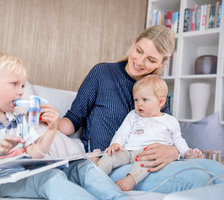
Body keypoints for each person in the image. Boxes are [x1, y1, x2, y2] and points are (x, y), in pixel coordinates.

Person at [58, 25, 224, 193]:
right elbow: (73, 120)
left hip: (146, 166)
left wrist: (174, 152)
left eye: (151, 60)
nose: (139, 62)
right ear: (134, 43)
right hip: (111, 163)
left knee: (215, 169)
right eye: (139, 51)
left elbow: (169, 133)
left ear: (163, 62)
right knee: (199, 177)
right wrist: (47, 123)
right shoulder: (102, 73)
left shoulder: (158, 91)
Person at [0, 53, 128, 200]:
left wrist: (51, 130)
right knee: (50, 177)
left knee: (82, 167)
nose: (20, 92)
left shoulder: (18, 116)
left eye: (23, 86)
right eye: (14, 84)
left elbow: (34, 153)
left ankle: (118, 198)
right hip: (3, 179)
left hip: (32, 168)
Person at [96, 75, 203, 191]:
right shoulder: (133, 115)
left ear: (160, 102)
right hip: (128, 151)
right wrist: (116, 143)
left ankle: (131, 179)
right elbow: (122, 132)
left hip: (149, 153)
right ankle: (95, 177)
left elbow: (178, 139)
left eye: (144, 99)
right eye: (136, 100)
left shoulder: (170, 121)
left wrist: (186, 152)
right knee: (109, 156)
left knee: (148, 162)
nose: (139, 104)